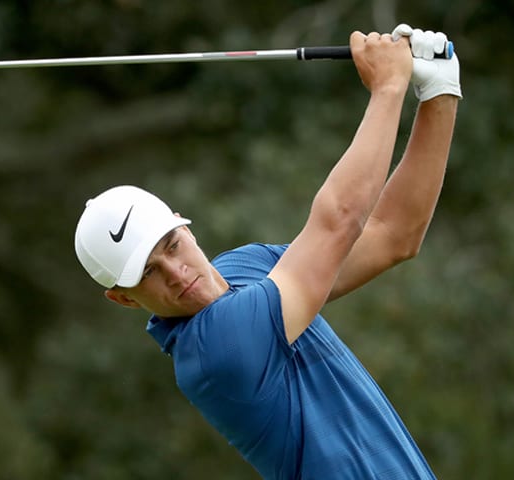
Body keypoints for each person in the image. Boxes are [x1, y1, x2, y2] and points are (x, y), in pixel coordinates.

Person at [74, 24, 461, 480]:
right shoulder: (216, 350)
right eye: (149, 273)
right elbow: (339, 221)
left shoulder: (247, 269)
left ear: (185, 225)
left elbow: (392, 233)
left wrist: (439, 90)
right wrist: (389, 87)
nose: (176, 273)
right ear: (123, 298)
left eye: (172, 245)